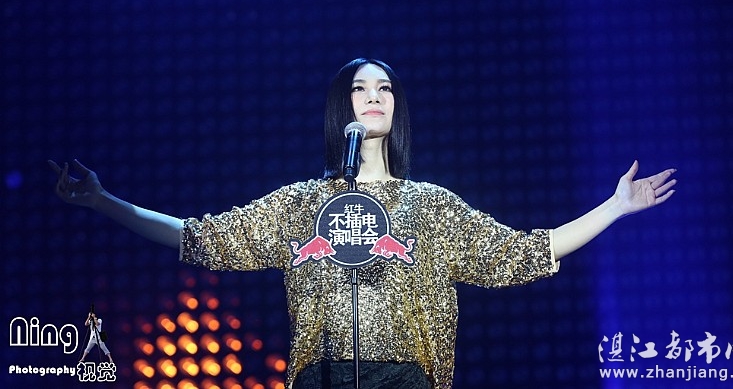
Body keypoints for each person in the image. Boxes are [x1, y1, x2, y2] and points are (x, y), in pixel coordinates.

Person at [50, 58, 676, 389]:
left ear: (397, 107)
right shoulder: (301, 204)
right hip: (318, 376)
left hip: (405, 377)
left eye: (384, 88)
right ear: (341, 108)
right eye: (359, 88)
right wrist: (105, 202)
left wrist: (614, 207)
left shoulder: (430, 206)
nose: (373, 95)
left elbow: (523, 253)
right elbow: (202, 238)